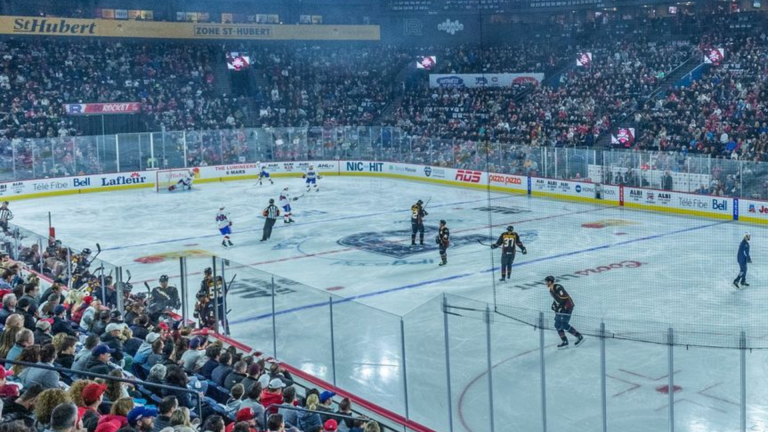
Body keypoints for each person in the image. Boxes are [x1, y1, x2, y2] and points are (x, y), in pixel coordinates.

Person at [545, 276, 584, 349]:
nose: (545, 283)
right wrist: (554, 305)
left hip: (568, 307)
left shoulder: (558, 287)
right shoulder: (551, 290)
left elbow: (565, 298)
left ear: (550, 282)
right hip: (562, 308)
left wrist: (560, 308)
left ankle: (579, 336)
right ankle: (565, 341)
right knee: (557, 324)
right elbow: (557, 299)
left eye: (546, 281)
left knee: (563, 324)